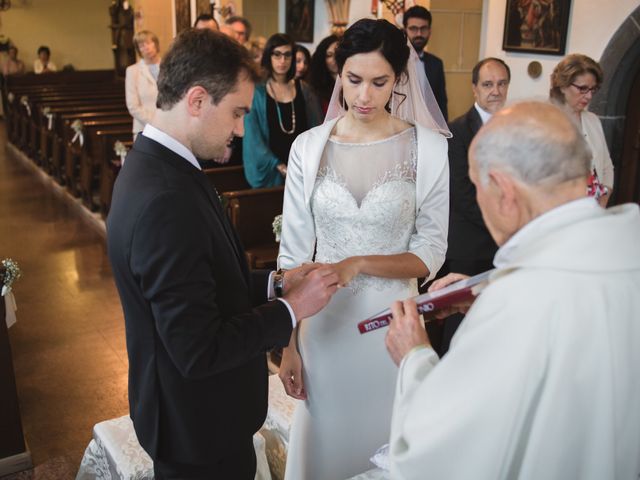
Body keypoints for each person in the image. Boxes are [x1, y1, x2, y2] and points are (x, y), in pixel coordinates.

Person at [106, 29, 339, 479]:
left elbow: (201, 281)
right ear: (197, 100)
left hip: (198, 418)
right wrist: (291, 309)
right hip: (197, 428)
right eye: (236, 113)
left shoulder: (161, 165)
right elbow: (198, 348)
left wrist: (275, 283)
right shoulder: (165, 199)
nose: (239, 128)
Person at [384, 101, 640, 479]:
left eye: (476, 185)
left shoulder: (518, 302)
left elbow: (441, 453)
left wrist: (415, 356)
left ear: (504, 190)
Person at [277, 19, 449, 479]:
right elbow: (293, 256)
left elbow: (431, 251)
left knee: (385, 440)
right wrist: (289, 342)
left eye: (379, 82)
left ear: (399, 79)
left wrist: (358, 263)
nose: (365, 96)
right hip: (323, 328)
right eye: (354, 80)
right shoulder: (308, 148)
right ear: (339, 74)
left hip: (391, 328)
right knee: (326, 447)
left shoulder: (428, 149)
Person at [433, 57, 510, 355]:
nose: (495, 91)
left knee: (495, 322)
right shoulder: (457, 133)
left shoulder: (516, 126)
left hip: (505, 243)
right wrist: (503, 222)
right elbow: (462, 193)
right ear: (474, 88)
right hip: (470, 243)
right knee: (459, 323)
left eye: (502, 83)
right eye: (488, 84)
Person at [243, 33, 322, 188]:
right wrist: (278, 165)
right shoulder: (257, 92)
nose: (282, 61)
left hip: (301, 170)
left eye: (287, 55)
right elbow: (253, 137)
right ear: (268, 56)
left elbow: (316, 129)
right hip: (272, 172)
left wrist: (304, 165)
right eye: (277, 55)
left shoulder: (304, 90)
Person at [550, 53, 614, 207]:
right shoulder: (545, 120)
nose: (589, 96)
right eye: (583, 88)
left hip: (593, 208)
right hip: (557, 209)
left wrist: (603, 201)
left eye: (593, 89)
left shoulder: (593, 120)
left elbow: (606, 166)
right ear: (563, 85)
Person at [403, 6, 448, 120]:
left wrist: (443, 135)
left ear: (429, 31)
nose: (419, 33)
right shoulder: (394, 61)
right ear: (405, 30)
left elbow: (441, 102)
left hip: (429, 128)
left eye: (423, 28)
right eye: (413, 28)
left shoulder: (436, 63)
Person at [125, 30, 161, 139]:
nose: (146, 48)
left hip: (170, 128)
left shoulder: (168, 66)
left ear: (155, 43)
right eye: (142, 46)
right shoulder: (132, 71)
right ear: (139, 50)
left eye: (149, 43)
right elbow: (133, 106)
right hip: (144, 129)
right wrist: (155, 123)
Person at [308, 34, 339, 113]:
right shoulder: (314, 88)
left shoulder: (351, 82)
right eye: (329, 55)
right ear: (322, 58)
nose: (335, 59)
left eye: (338, 53)